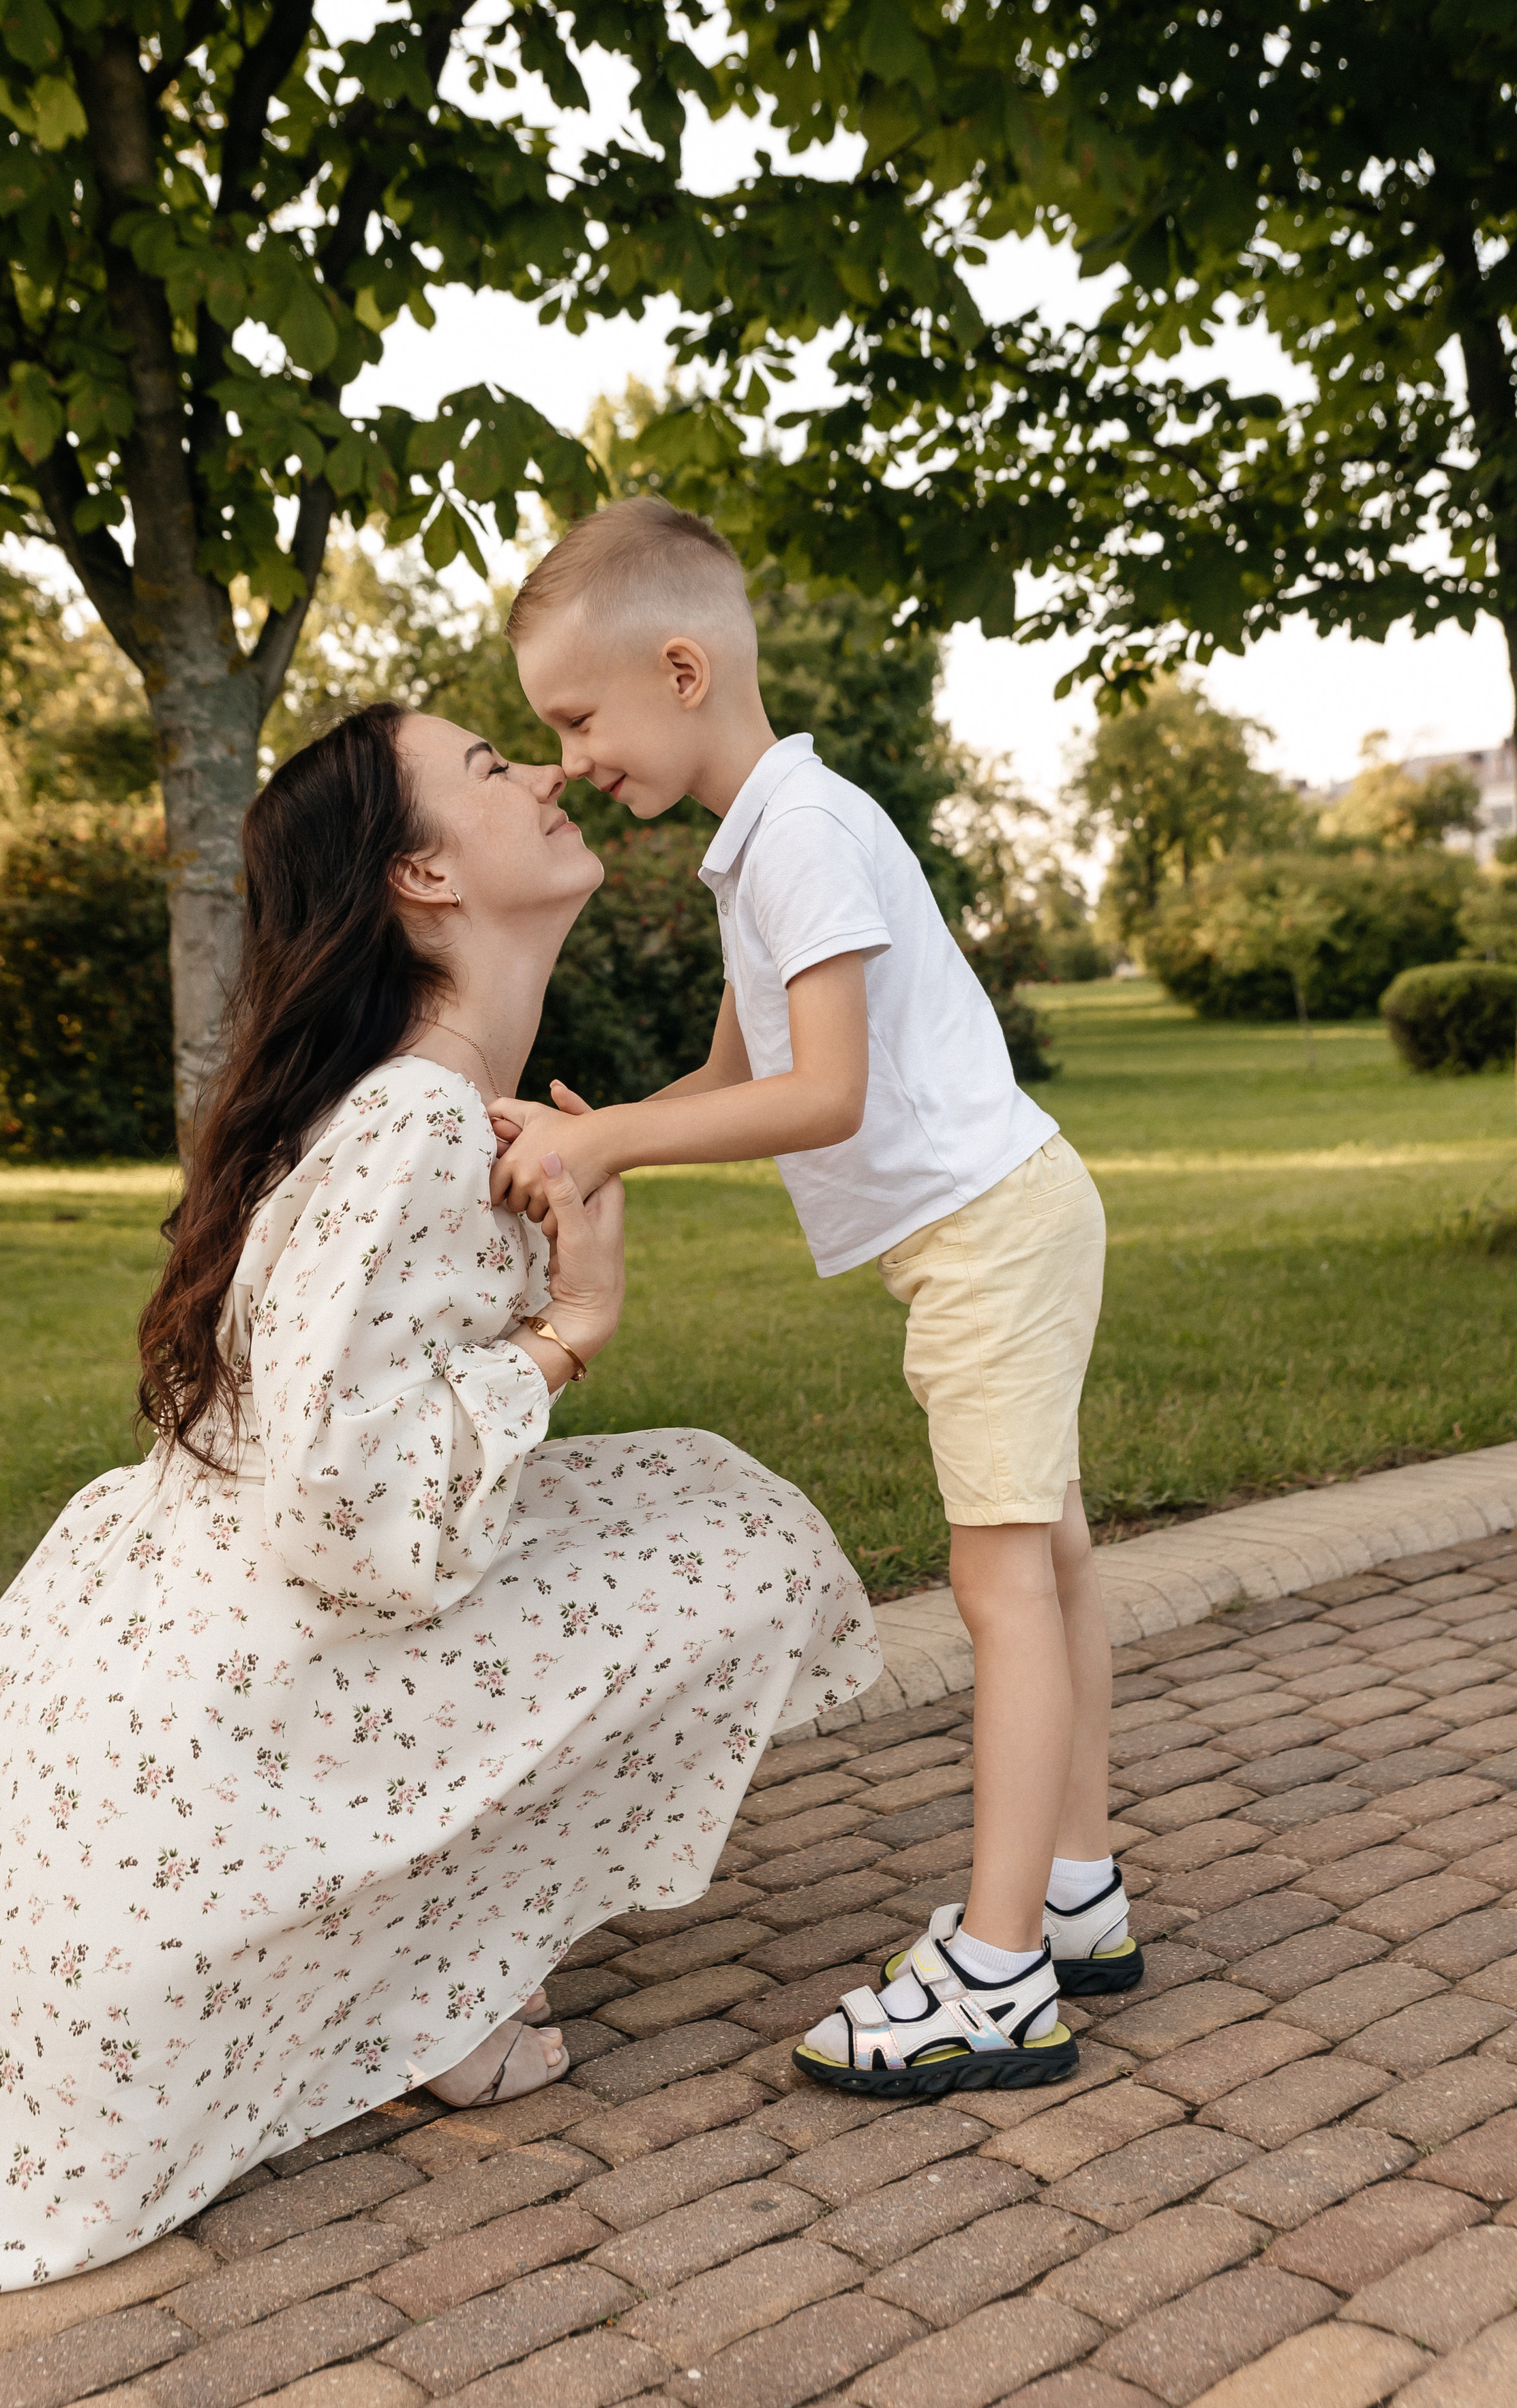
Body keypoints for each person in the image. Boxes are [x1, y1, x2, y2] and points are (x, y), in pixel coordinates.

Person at [0, 703, 879, 2298]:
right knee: (734, 1547)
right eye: (497, 768)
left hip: (219, 1623)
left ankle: (428, 1974)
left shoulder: (411, 1096)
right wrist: (568, 1341)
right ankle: (426, 1987)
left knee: (683, 1512)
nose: (551, 769)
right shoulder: (416, 1121)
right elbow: (357, 1520)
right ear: (423, 871)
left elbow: (754, 1065)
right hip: (254, 1676)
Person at [493, 498, 1135, 2100]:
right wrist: (613, 1136)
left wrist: (611, 1137)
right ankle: (1076, 1898)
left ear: (683, 667)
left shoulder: (801, 834)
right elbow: (738, 1075)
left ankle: (996, 1981)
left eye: (576, 719)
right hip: (999, 1219)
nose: (570, 761)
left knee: (998, 1586)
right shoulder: (761, 839)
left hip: (985, 1234)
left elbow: (828, 1093)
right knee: (1046, 1561)